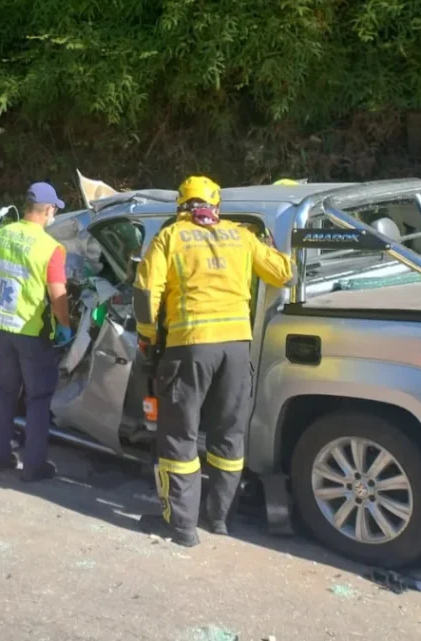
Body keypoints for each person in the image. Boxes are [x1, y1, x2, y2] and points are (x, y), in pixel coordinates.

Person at [132, 175, 293, 547]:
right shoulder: (241, 235)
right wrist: (271, 245)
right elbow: (283, 274)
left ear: (181, 205)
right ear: (216, 206)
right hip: (236, 349)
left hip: (189, 346)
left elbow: (145, 291)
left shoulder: (170, 237)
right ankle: (219, 519)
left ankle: (181, 526)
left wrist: (148, 336)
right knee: (229, 435)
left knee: (180, 436)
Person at [0, 182, 72, 482]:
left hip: (1, 326)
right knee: (38, 398)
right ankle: (34, 467)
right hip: (32, 331)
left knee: (4, 391)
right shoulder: (50, 248)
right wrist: (65, 325)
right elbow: (58, 294)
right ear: (49, 210)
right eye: (54, 210)